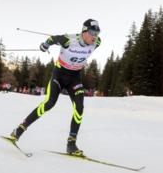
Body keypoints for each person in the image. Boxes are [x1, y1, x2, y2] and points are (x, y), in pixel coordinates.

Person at [9, 19, 101, 156]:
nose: (95, 36)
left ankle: (71, 144)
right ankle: (19, 130)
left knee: (79, 107)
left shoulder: (97, 43)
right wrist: (44, 45)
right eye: (93, 32)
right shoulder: (67, 40)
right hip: (59, 75)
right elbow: (52, 39)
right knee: (49, 103)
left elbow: (92, 42)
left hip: (75, 78)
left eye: (97, 33)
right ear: (84, 31)